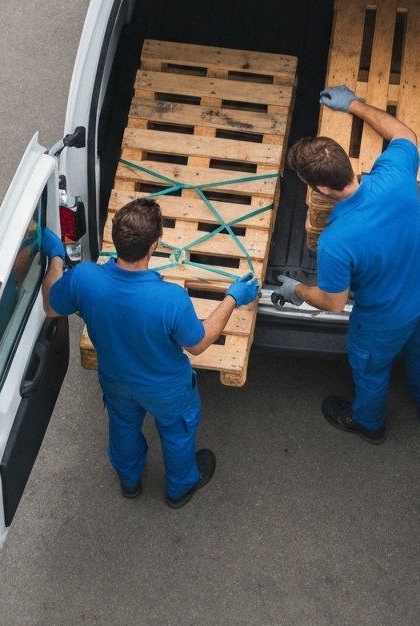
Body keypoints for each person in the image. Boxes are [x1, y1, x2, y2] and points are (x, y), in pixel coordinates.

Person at [40, 197, 259, 506]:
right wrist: (233, 298)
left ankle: (129, 480)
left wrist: (57, 258)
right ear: (155, 245)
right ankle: (180, 487)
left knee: (123, 427)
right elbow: (198, 344)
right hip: (167, 389)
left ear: (115, 239)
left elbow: (50, 305)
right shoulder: (169, 299)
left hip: (116, 380)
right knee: (177, 432)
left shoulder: (85, 279)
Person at [273, 85, 420, 444]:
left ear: (320, 190)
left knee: (370, 370)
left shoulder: (336, 241)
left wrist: (297, 290)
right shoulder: (395, 177)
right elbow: (406, 134)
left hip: (384, 320)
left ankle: (369, 424)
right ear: (349, 165)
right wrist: (354, 104)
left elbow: (334, 302)